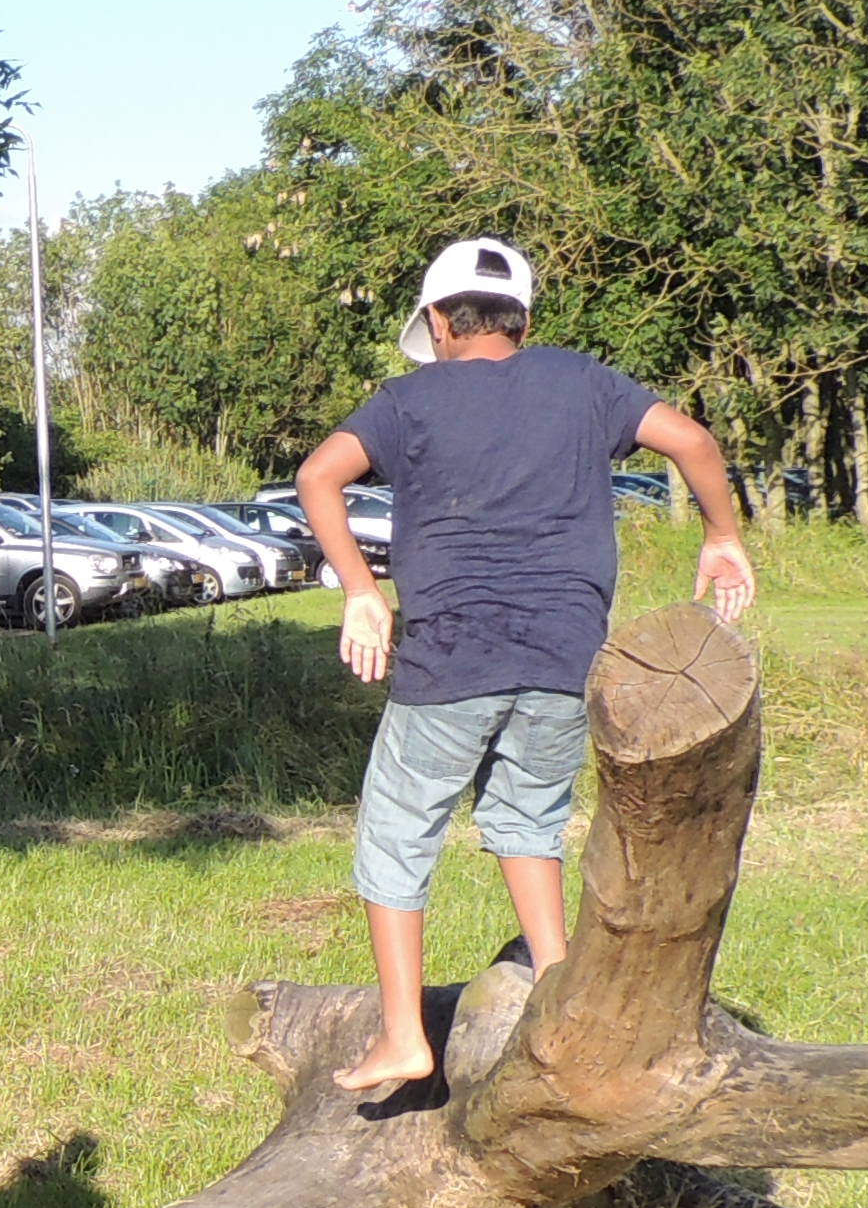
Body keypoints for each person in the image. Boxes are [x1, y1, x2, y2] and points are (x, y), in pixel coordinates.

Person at [293, 236, 754, 1098]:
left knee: (398, 835)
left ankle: (403, 1037)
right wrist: (722, 535)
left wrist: (361, 591)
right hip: (566, 654)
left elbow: (319, 475)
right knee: (527, 819)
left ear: (437, 321)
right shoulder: (583, 382)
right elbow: (691, 440)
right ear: (525, 321)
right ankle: (554, 979)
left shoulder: (407, 400)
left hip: (451, 653)